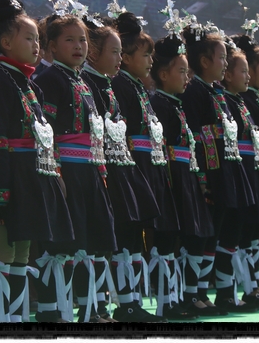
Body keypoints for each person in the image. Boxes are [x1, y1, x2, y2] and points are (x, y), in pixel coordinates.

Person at [0, 0, 75, 323]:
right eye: (28, 38)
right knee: (3, 249)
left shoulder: (30, 85)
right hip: (10, 179)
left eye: (37, 39)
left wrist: (53, 173)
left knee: (23, 250)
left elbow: (45, 137)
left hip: (32, 178)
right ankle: (0, 319)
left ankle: (16, 318)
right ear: (5, 42)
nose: (36, 45)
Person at [34, 13, 118, 323]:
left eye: (82, 40)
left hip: (90, 172)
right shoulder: (48, 80)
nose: (78, 46)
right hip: (66, 173)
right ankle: (51, 310)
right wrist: (55, 171)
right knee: (64, 244)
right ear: (52, 46)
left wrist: (100, 172)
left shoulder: (83, 81)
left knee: (91, 242)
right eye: (69, 40)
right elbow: (46, 130)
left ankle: (90, 309)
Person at [80, 19, 165, 321]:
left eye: (120, 52)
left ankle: (130, 303)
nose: (118, 59)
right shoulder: (90, 84)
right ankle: (98, 306)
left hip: (124, 168)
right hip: (105, 170)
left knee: (129, 237)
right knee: (106, 240)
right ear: (94, 53)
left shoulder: (110, 84)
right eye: (113, 52)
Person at [180, 22, 257, 314]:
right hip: (211, 173)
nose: (225, 63)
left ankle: (222, 293)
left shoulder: (218, 93)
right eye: (222, 58)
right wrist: (204, 176)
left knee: (225, 233)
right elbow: (196, 137)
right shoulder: (194, 92)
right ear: (204, 61)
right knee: (206, 235)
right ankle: (196, 294)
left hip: (227, 171)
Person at [110, 11, 179, 322]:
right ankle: (126, 303)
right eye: (145, 54)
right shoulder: (120, 85)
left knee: (140, 235)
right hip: (131, 166)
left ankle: (138, 300)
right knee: (128, 234)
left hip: (149, 166)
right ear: (125, 58)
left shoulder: (137, 86)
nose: (151, 60)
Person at [149, 31, 215, 318]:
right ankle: (166, 301)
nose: (187, 78)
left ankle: (186, 296)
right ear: (163, 75)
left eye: (188, 72)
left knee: (190, 236)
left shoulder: (176, 104)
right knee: (167, 240)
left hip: (185, 176)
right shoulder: (158, 104)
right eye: (181, 71)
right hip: (171, 177)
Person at [221, 38, 259, 309]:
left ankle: (253, 287)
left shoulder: (248, 100)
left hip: (257, 169)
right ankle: (235, 290)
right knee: (240, 233)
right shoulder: (233, 100)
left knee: (254, 234)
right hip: (243, 170)